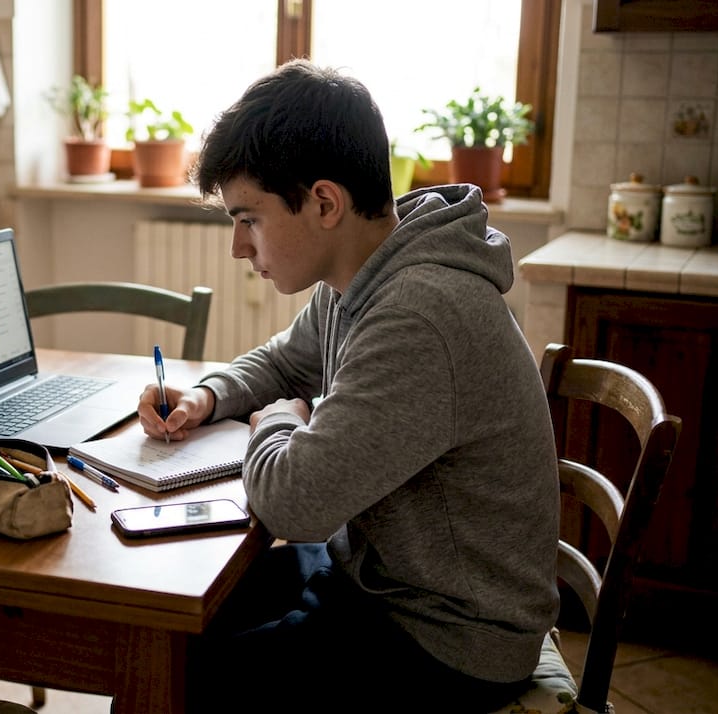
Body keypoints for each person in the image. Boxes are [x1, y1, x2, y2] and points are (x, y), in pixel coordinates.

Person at [137, 60, 560, 711]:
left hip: (449, 639)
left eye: (248, 218)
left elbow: (293, 504)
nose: (237, 249)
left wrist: (278, 422)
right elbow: (283, 363)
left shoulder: (420, 312)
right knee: (169, 627)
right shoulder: (365, 272)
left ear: (324, 203)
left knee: (177, 681)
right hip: (381, 581)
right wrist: (211, 396)